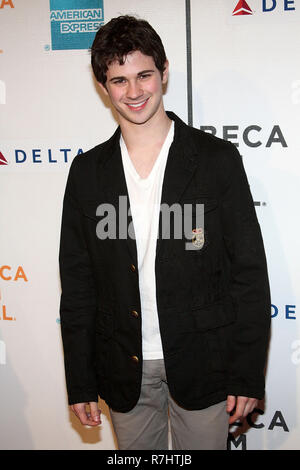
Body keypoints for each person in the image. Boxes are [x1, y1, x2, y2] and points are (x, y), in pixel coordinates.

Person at [59, 15, 271, 450]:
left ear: (164, 72)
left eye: (144, 75)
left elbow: (248, 273)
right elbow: (78, 285)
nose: (134, 92)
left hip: (204, 362)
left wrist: (247, 374)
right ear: (104, 86)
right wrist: (80, 381)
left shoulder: (216, 160)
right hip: (122, 368)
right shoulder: (87, 173)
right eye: (119, 80)